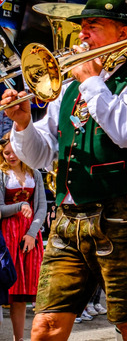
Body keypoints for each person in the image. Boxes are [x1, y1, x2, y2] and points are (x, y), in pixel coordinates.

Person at [0, 0, 127, 339]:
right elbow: (42, 156)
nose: (82, 33)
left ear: (122, 33)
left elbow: (125, 132)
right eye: (82, 25)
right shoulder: (68, 87)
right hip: (68, 218)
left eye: (94, 25)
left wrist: (92, 81)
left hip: (121, 217)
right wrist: (24, 123)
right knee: (45, 325)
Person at [0, 134, 46, 341]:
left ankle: (18, 339)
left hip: (28, 237)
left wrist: (31, 234)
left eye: (13, 151)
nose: (10, 156)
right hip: (6, 235)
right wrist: (20, 206)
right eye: (6, 153)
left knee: (20, 294)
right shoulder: (1, 175)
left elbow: (42, 208)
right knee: (6, 286)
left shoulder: (34, 174)